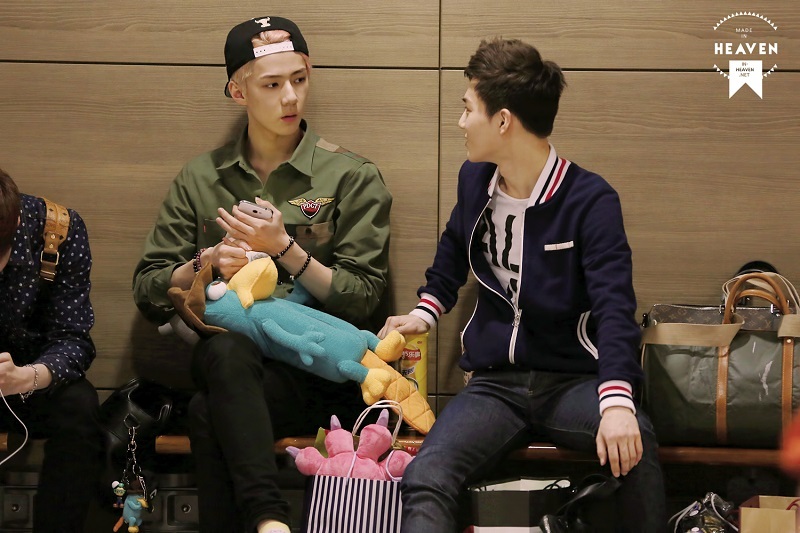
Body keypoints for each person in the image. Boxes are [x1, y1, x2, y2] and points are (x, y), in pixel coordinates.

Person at [379, 38, 667, 532]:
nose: (461, 122)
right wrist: (424, 313)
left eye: (468, 108)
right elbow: (453, 249)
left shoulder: (589, 200)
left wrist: (618, 401)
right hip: (495, 385)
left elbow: (615, 307)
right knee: (426, 474)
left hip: (572, 381)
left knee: (633, 443)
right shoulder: (475, 181)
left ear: (503, 121)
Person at [132, 16, 392, 533]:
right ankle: (269, 518)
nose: (291, 97)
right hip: (232, 359)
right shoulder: (200, 178)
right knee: (228, 352)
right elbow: (148, 289)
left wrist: (286, 250)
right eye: (272, 85)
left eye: (299, 79)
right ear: (238, 91)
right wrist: (207, 263)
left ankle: (267, 518)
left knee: (207, 412)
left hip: (317, 370)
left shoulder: (351, 175)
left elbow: (364, 298)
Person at [0, 168, 104, 532]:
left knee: (80, 408)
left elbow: (73, 337)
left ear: (14, 225)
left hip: (32, 377)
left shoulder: (57, 230)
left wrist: (25, 378)